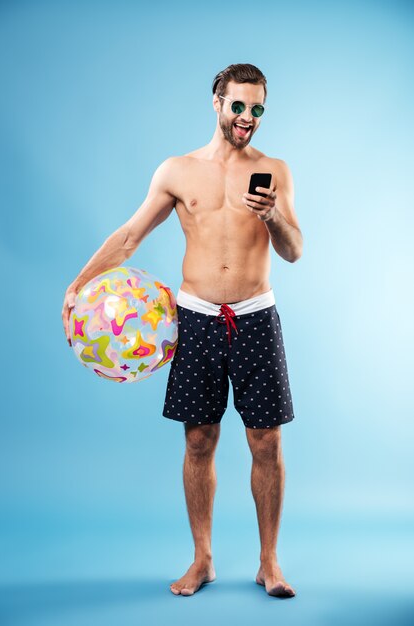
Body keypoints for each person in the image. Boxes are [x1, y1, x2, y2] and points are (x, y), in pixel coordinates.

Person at [62, 63, 303, 598]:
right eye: (238, 106)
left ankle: (270, 563)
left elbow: (294, 250)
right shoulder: (177, 170)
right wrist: (79, 284)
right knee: (198, 442)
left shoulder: (275, 170)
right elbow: (129, 237)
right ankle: (203, 561)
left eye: (257, 109)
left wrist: (273, 218)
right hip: (195, 319)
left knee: (267, 441)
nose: (247, 118)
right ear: (216, 102)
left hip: (256, 317)